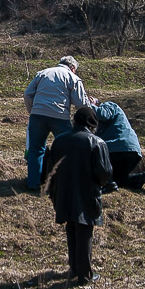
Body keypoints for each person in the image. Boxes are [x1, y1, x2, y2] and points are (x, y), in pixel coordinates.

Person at [41, 106, 112, 286]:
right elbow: (104, 173)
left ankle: (74, 267)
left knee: (71, 227)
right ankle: (85, 275)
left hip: (63, 191)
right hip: (87, 192)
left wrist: (53, 191)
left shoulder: (60, 141)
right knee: (85, 230)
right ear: (92, 122)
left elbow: (50, 169)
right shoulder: (97, 142)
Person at [23, 55, 94, 190]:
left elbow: (28, 94)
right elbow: (81, 103)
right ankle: (66, 182)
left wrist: (32, 111)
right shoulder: (73, 78)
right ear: (72, 68)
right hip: (60, 117)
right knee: (68, 149)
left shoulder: (43, 73)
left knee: (36, 150)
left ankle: (33, 184)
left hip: (37, 115)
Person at [93, 101, 145, 193]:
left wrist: (89, 104)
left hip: (119, 148)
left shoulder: (108, 105)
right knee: (119, 179)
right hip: (132, 152)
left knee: (95, 159)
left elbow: (102, 114)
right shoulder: (102, 127)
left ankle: (109, 184)